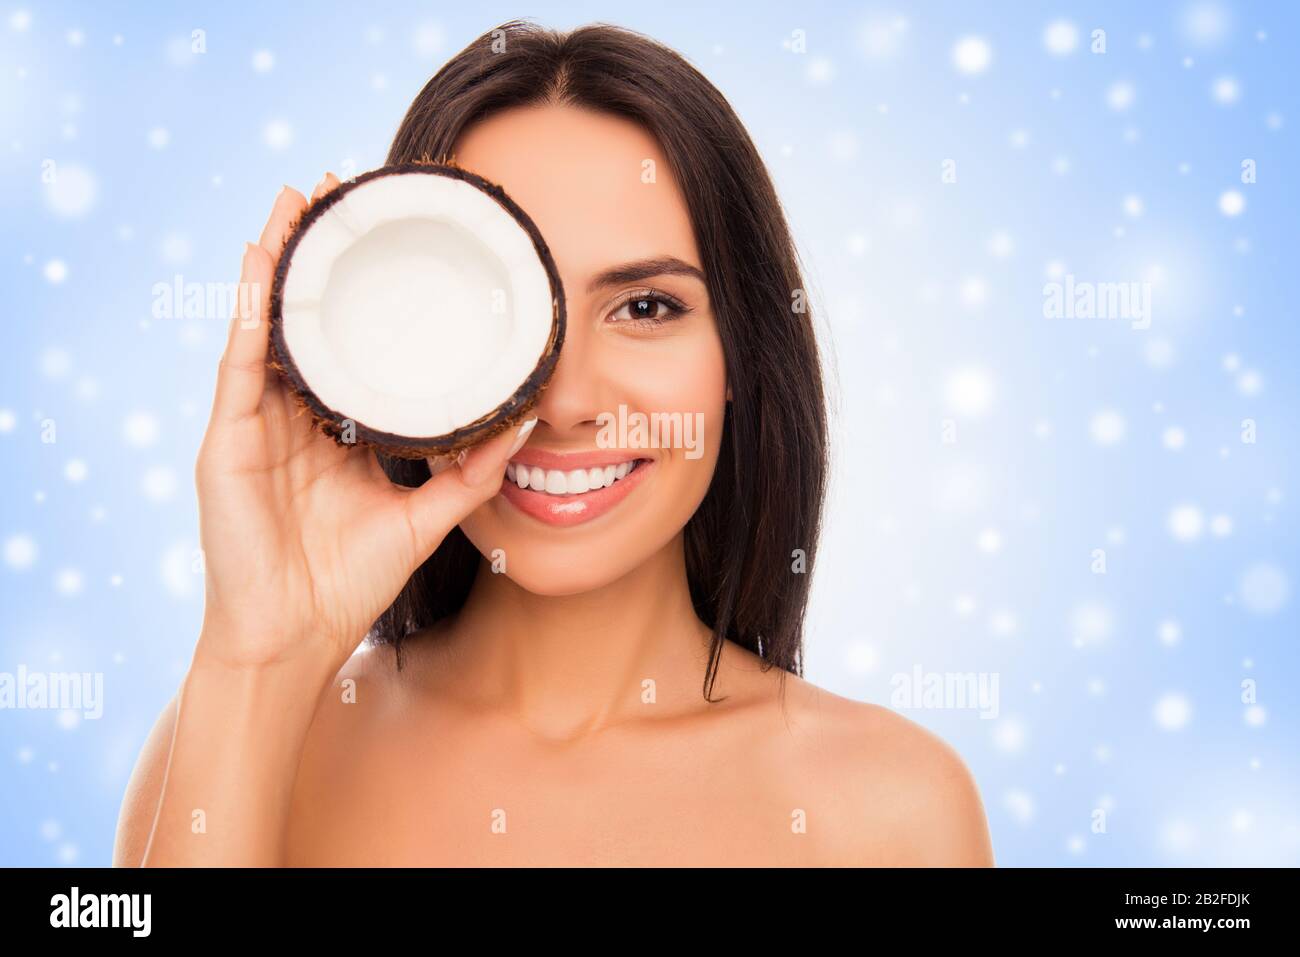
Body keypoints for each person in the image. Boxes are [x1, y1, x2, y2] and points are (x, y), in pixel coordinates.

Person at [114, 20, 994, 867]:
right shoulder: (241, 735)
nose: (567, 401)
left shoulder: (893, 807)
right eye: (498, 311)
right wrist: (260, 651)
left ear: (740, 352)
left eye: (646, 307)